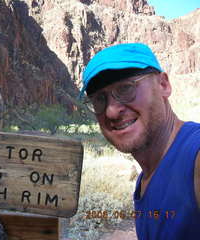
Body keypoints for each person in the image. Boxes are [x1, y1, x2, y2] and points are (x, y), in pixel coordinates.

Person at [79, 43, 200, 239]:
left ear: (163, 85)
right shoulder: (144, 181)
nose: (111, 111)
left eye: (126, 88)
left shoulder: (195, 156)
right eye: (99, 100)